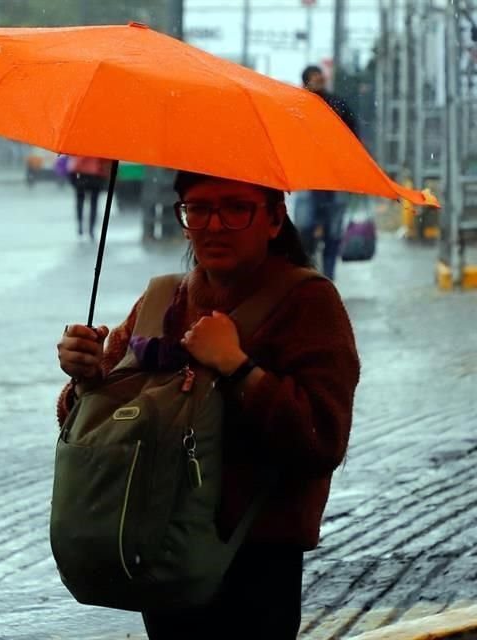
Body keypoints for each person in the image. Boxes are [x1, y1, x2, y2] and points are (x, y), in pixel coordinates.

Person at [56, 170, 360, 639]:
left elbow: (322, 438)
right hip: (159, 547)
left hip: (255, 558)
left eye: (236, 208)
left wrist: (239, 367)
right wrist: (88, 379)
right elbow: (98, 422)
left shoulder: (308, 304)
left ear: (275, 218)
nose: (213, 225)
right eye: (197, 208)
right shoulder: (162, 299)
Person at [298, 65, 360, 280]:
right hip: (309, 179)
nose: (319, 81)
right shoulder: (297, 107)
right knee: (306, 228)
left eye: (320, 77)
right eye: (313, 78)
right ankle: (309, 274)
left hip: (336, 178)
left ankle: (328, 277)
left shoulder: (338, 105)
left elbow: (354, 138)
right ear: (305, 82)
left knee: (333, 232)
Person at [67, 155, 112, 239]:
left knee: (80, 200)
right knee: (93, 203)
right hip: (95, 174)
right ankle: (91, 229)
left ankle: (80, 225)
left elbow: (74, 161)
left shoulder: (80, 144)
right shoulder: (101, 146)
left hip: (80, 173)